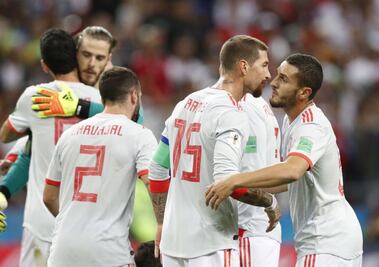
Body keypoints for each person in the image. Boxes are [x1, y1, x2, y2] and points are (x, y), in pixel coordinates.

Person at [205, 53, 363, 267]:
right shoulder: (292, 122)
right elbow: (288, 180)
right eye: (278, 75)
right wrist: (248, 191)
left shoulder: (310, 126)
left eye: (284, 79)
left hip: (325, 240)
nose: (274, 82)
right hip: (332, 240)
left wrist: (233, 180)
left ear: (304, 93)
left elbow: (292, 171)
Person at [148, 35, 280, 267]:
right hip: (211, 243)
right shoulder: (231, 112)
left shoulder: (185, 104)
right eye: (264, 66)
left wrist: (160, 223)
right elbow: (227, 182)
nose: (268, 75)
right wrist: (270, 202)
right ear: (244, 66)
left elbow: (158, 168)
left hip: (173, 243)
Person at [0, 26, 117, 235]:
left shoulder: (37, 96)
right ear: (75, 56)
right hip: (90, 226)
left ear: (44, 66)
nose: (92, 64)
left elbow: (6, 135)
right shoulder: (108, 103)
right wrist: (6, 185)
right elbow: (133, 119)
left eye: (99, 58)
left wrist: (78, 108)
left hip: (44, 224)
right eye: (86, 55)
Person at [43, 66, 156, 267]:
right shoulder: (139, 135)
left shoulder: (69, 135)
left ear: (103, 98)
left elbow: (49, 197)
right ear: (133, 96)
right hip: (108, 252)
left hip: (63, 250)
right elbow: (154, 186)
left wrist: (76, 224)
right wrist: (164, 225)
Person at [238, 72, 282, 266]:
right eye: (263, 66)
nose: (268, 75)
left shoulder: (246, 106)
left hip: (248, 225)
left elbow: (249, 171)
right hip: (259, 228)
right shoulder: (263, 106)